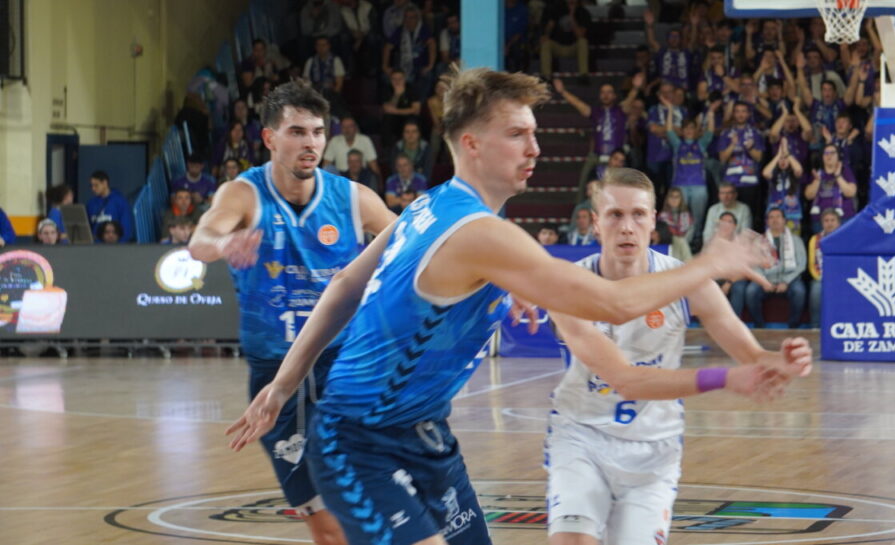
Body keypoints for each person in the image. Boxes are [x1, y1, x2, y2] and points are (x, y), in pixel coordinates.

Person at [227, 66, 782, 545]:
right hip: (357, 439)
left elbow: (347, 284)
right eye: (518, 134)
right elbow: (612, 305)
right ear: (472, 143)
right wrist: (709, 263)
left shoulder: (431, 205)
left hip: (422, 431)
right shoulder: (479, 234)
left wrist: (281, 387)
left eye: (534, 134)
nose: (535, 149)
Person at [545, 169, 811, 545]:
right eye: (614, 215)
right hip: (582, 435)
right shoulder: (569, 286)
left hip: (655, 449)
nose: (626, 227)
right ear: (595, 224)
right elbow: (627, 381)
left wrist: (782, 360)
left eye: (638, 214)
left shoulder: (687, 282)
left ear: (654, 221)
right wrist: (723, 378)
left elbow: (750, 355)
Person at [190, 82, 395, 545]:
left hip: (342, 367)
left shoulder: (353, 198)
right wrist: (225, 244)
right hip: (273, 376)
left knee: (360, 503)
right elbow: (199, 242)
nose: (311, 143)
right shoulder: (243, 194)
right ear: (269, 139)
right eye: (297, 132)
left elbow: (413, 243)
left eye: (318, 132)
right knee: (324, 526)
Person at [743, 207, 808, 329]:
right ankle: (759, 326)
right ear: (767, 221)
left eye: (778, 217)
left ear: (784, 220)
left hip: (789, 279)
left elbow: (801, 264)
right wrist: (763, 281)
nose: (775, 220)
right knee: (751, 291)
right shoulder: (759, 241)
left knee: (799, 292)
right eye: (771, 217)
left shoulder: (795, 240)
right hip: (766, 278)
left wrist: (786, 281)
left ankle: (793, 326)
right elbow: (754, 265)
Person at [540, 0, 591, 77]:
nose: (571, 0)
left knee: (583, 42)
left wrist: (572, 16)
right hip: (558, 46)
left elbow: (580, 35)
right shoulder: (557, 9)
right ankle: (546, 76)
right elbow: (550, 26)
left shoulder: (584, 13)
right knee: (545, 43)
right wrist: (546, 34)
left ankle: (583, 75)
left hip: (573, 47)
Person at [805, 144, 857, 233]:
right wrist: (817, 181)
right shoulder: (817, 173)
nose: (829, 155)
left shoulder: (845, 171)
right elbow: (808, 195)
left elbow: (851, 192)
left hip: (843, 218)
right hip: (821, 220)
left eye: (832, 153)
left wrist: (838, 176)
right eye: (826, 153)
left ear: (838, 156)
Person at [808, 208, 842, 328]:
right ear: (822, 223)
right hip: (821, 276)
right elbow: (812, 264)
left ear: (839, 223)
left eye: (833, 220)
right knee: (816, 290)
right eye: (826, 220)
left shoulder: (846, 238)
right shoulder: (815, 239)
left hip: (842, 277)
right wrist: (821, 277)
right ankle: (815, 325)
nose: (830, 223)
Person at [323, 116, 381, 180]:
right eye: (344, 127)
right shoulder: (335, 141)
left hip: (361, 177)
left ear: (355, 128)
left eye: (350, 126)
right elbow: (326, 164)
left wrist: (379, 182)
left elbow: (373, 165)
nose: (347, 129)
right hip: (341, 177)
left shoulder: (365, 140)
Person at [86, 171, 133, 242]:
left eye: (96, 185)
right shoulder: (91, 203)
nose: (93, 189)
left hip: (115, 248)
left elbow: (126, 228)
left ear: (105, 183)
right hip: (95, 248)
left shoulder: (120, 202)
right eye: (91, 186)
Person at [658, 186, 693, 260]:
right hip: (667, 243)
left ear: (681, 199)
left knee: (681, 241)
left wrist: (679, 240)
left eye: (677, 197)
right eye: (671, 197)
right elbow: (660, 234)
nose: (674, 200)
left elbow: (689, 234)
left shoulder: (687, 215)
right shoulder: (661, 215)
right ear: (667, 199)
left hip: (684, 243)